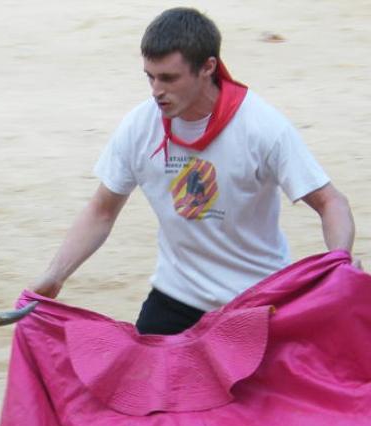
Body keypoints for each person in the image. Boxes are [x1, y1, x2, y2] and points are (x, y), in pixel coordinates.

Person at [31, 7, 357, 335]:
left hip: (255, 300)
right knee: (138, 382)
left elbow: (331, 202)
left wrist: (339, 262)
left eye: (169, 78)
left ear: (207, 68)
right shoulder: (139, 126)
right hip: (176, 296)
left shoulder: (261, 126)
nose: (156, 90)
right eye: (150, 76)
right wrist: (55, 274)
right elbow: (101, 211)